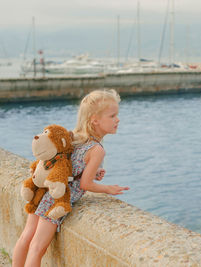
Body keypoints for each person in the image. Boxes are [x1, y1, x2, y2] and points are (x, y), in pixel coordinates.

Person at [12, 89, 130, 267]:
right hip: (57, 199)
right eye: (113, 116)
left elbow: (72, 167)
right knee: (37, 247)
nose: (118, 119)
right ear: (95, 120)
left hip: (43, 190)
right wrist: (108, 189)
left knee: (26, 237)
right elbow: (84, 184)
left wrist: (93, 172)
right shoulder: (97, 150)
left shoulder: (74, 137)